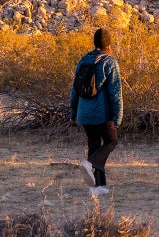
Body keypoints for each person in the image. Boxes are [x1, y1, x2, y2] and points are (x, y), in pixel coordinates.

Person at [71, 28, 123, 197]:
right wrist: (118, 117)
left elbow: (74, 90)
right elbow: (116, 92)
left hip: (84, 113)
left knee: (94, 145)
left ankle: (96, 187)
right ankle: (89, 164)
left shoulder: (83, 60)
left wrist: (74, 112)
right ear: (108, 43)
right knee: (111, 141)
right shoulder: (109, 62)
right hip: (102, 113)